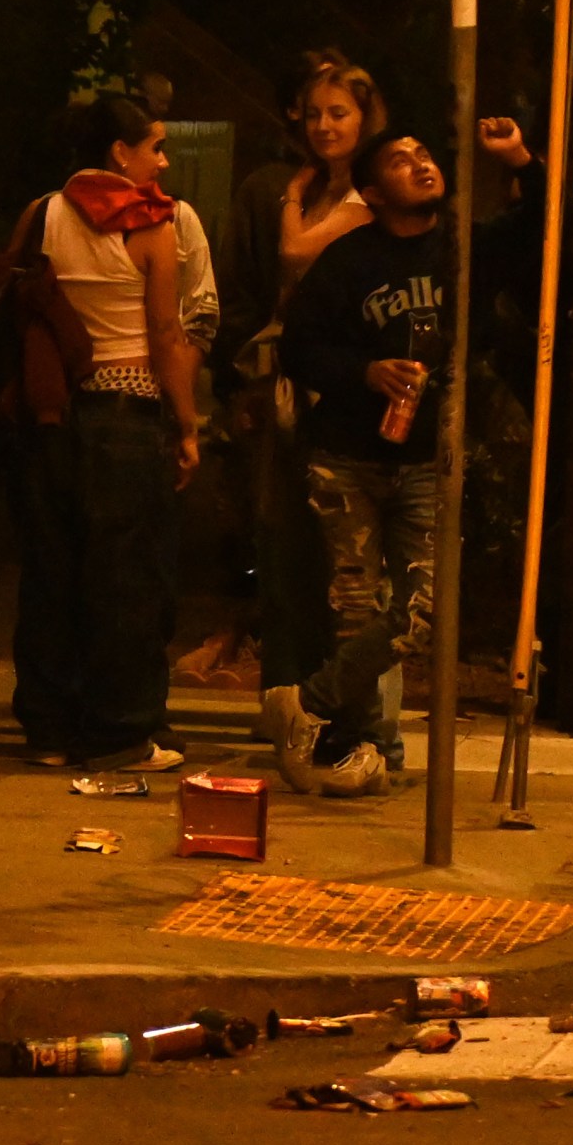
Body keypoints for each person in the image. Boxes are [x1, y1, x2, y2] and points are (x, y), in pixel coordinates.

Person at [278, 114, 540, 793]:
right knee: (355, 606)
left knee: (423, 610)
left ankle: (311, 701)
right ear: (372, 189)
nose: (421, 164)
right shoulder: (349, 261)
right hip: (348, 454)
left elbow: (544, 226)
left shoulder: (464, 250)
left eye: (425, 153)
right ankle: (366, 746)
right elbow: (299, 346)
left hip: (429, 454)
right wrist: (365, 371)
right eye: (400, 160)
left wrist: (518, 158)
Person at [10, 95, 216, 773]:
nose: (162, 160)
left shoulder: (42, 213)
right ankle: (120, 730)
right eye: (153, 146)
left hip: (53, 414)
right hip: (127, 414)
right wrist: (185, 425)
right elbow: (165, 335)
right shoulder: (152, 226)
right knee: (128, 578)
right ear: (119, 154)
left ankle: (46, 723)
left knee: (52, 571)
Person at [232, 57, 383, 789]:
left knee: (346, 566)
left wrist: (295, 197)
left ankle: (354, 724)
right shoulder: (287, 188)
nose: (325, 126)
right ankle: (295, 711)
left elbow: (296, 252)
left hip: (347, 394)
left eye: (339, 113)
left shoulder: (363, 194)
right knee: (284, 548)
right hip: (289, 383)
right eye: (315, 112)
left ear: (365, 118)